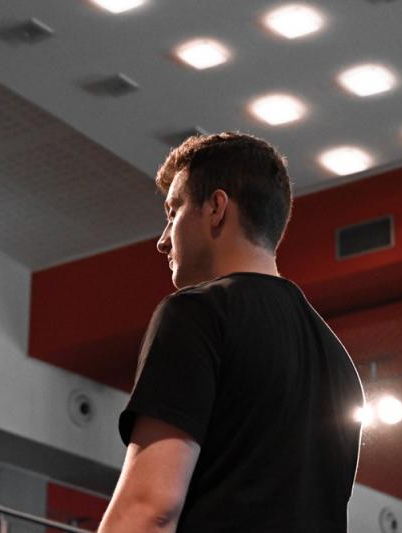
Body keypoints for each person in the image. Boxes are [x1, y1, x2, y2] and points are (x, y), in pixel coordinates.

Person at [98, 132, 364, 533]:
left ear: (216, 208)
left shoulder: (196, 313)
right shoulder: (340, 364)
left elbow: (150, 508)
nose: (163, 240)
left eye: (173, 212)